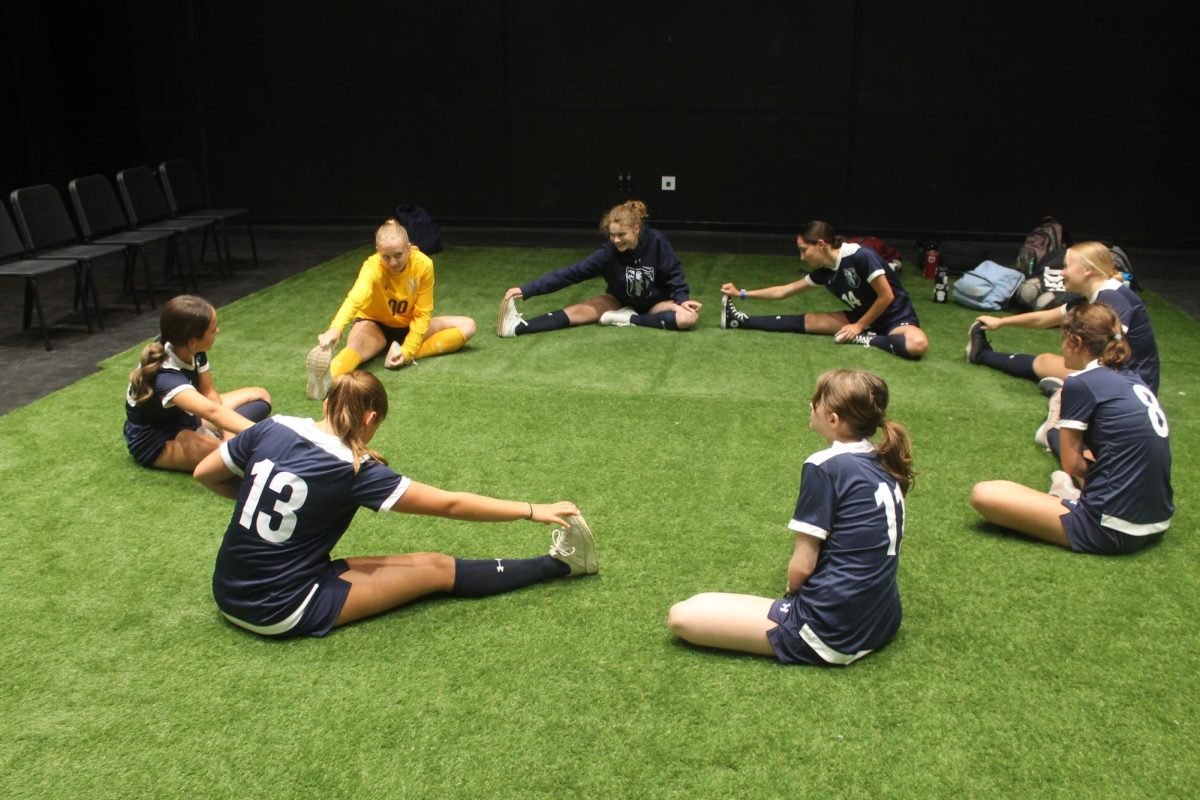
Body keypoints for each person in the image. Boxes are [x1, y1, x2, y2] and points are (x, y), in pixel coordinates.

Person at [194, 370, 599, 638]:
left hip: (227, 591)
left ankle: (560, 564)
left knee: (409, 565)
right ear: (370, 418)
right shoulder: (353, 468)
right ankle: (560, 565)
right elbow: (451, 505)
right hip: (279, 607)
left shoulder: (271, 426)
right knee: (435, 568)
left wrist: (249, 500)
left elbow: (205, 473)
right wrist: (531, 509)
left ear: (326, 403)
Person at [668, 369, 913, 665]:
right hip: (884, 618)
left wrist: (793, 592)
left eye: (816, 401)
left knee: (683, 615)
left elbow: (803, 561)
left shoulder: (824, 466)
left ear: (833, 420)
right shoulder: (884, 458)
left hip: (834, 628)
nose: (810, 405)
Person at [970, 303, 1172, 555]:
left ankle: (1067, 493)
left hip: (1113, 528)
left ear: (1075, 341)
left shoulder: (1079, 382)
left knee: (985, 494)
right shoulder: (1132, 376)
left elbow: (1073, 465)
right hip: (1158, 520)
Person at [306, 220, 476, 400]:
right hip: (374, 325)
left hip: (408, 326)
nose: (392, 262)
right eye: (386, 257)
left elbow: (422, 313)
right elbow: (356, 296)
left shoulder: (424, 265)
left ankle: (404, 353)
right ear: (378, 252)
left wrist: (408, 350)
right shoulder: (371, 266)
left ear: (409, 248)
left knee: (468, 326)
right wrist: (336, 327)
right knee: (355, 347)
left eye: (398, 255)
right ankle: (327, 379)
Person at [966, 241, 1160, 395]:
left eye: (1067, 266)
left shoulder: (1112, 299)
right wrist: (1001, 322)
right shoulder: (1096, 295)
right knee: (1045, 362)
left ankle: (1067, 393)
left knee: (1060, 369)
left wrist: (1083, 382)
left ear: (1087, 270)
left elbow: (1112, 354)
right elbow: (1045, 318)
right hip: (1117, 374)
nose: (1062, 272)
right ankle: (982, 354)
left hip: (1132, 385)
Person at [718, 221, 929, 359]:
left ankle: (868, 338)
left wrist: (859, 327)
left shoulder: (860, 256)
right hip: (861, 317)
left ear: (820, 244)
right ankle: (739, 320)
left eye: (803, 250)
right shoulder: (825, 271)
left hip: (895, 317)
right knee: (810, 321)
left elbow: (886, 296)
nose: (802, 257)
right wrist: (741, 293)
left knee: (917, 344)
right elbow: (784, 291)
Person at [496, 200, 702, 336]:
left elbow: (675, 274)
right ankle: (518, 328)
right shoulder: (607, 254)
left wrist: (682, 300)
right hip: (618, 300)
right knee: (576, 312)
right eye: (612, 235)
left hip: (656, 303)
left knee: (687, 318)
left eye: (621, 235)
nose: (616, 240)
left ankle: (631, 319)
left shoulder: (657, 241)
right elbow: (571, 274)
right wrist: (527, 289)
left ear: (636, 229)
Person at [124, 294, 272, 472]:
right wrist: (274, 434)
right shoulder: (166, 378)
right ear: (193, 341)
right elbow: (212, 412)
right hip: (156, 438)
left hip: (184, 417)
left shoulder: (186, 345)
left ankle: (216, 438)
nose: (217, 331)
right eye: (212, 329)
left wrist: (227, 435)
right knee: (239, 457)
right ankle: (213, 441)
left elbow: (208, 392)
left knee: (260, 397)